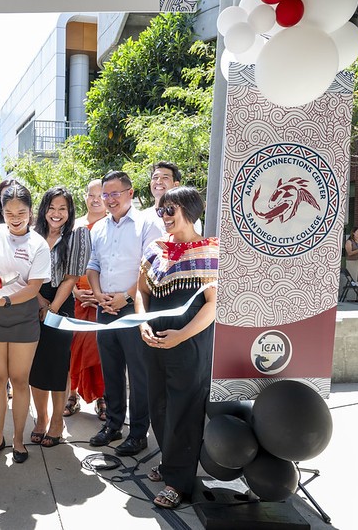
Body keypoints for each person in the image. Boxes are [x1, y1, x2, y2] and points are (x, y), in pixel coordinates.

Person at [137, 186, 218, 509]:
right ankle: (171, 461)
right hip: (153, 339)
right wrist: (141, 322)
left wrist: (181, 335)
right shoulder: (156, 249)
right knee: (158, 402)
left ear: (190, 211)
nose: (164, 217)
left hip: (190, 343)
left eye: (171, 211)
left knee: (185, 408)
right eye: (161, 211)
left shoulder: (211, 251)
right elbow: (140, 291)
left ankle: (178, 482)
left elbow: (213, 305)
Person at [85, 170, 164, 457]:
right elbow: (93, 264)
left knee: (139, 373)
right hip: (104, 309)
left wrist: (125, 296)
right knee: (111, 370)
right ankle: (113, 424)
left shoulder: (147, 223)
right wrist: (97, 294)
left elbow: (152, 267)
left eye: (115, 193)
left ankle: (139, 432)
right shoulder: (101, 228)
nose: (109, 199)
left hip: (134, 309)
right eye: (105, 194)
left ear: (130, 193)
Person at [0, 182, 51, 464]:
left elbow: (34, 288)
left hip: (23, 317)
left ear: (30, 212)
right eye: (9, 212)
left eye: (21, 211)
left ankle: (18, 440)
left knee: (20, 381)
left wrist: (7, 301)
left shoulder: (38, 244)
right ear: (2, 213)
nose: (15, 217)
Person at [29, 187, 91, 447]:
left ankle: (57, 421)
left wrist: (51, 308)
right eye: (51, 208)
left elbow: (72, 278)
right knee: (34, 366)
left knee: (56, 365)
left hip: (61, 303)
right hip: (32, 299)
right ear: (44, 209)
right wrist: (39, 302)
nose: (56, 214)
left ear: (69, 211)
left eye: (62, 209)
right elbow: (24, 273)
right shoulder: (32, 236)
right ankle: (40, 418)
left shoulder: (77, 235)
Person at [68, 180, 108, 421]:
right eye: (90, 195)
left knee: (101, 350)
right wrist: (74, 290)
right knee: (74, 349)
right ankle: (71, 395)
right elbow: (65, 264)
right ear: (84, 197)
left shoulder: (112, 225)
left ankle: (103, 397)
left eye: (100, 195)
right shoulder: (75, 227)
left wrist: (100, 293)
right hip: (77, 297)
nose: (95, 199)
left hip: (103, 297)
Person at [143, 161, 202, 235]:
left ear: (176, 185)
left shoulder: (187, 218)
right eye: (155, 177)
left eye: (165, 177)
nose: (158, 181)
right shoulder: (141, 217)